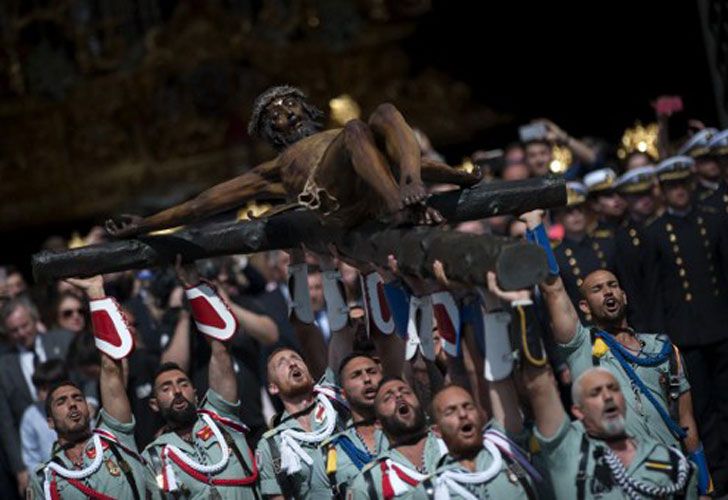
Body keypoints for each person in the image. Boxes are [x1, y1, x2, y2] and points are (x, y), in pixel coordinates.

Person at [105, 86, 480, 235]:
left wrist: (459, 177)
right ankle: (401, 204)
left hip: (381, 185)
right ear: (272, 131)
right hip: (336, 200)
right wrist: (145, 226)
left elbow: (392, 159)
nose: (286, 111)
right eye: (275, 114)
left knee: (382, 112)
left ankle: (406, 192)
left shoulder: (350, 135)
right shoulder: (274, 169)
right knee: (354, 129)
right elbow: (202, 204)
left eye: (290, 103)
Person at [521, 208, 712, 496]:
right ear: (584, 306)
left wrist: (704, 482)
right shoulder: (581, 346)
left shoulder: (661, 347)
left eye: (612, 286)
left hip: (670, 472)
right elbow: (553, 289)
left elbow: (687, 422)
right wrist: (535, 225)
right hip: (621, 476)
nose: (608, 292)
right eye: (597, 289)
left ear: (624, 295)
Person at [142, 261, 261, 499]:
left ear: (196, 394)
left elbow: (220, 350)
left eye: (183, 384)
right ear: (154, 404)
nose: (177, 390)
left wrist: (194, 289)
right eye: (166, 388)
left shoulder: (223, 421)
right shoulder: (154, 456)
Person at [645, 156, 728, 494]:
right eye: (671, 186)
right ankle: (718, 473)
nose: (678, 192)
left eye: (682, 184)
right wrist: (662, 340)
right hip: (686, 334)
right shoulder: (655, 232)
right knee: (702, 409)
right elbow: (654, 293)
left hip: (720, 325)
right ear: (663, 191)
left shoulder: (713, 219)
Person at [28, 275, 146, 499]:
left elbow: (111, 369)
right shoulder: (44, 478)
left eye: (78, 398)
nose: (72, 404)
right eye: (61, 402)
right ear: (50, 422)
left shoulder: (115, 438)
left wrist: (96, 294)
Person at [0, 297, 73, 495]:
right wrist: (19, 468)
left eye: (25, 325)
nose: (22, 333)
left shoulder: (64, 340)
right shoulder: (3, 367)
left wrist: (90, 402)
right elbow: (5, 422)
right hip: (36, 451)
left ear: (35, 319)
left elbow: (86, 376)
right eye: (14, 330)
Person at [255, 346, 348, 499]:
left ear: (311, 376)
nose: (292, 364)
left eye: (296, 358)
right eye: (281, 363)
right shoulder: (271, 445)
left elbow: (341, 345)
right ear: (273, 388)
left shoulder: (335, 401)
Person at [348, 377, 447, 499]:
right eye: (388, 397)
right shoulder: (369, 483)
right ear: (378, 424)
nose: (399, 395)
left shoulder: (454, 445)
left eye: (406, 392)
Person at [317, 353, 388, 498]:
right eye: (356, 375)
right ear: (342, 394)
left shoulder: (412, 431)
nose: (367, 379)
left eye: (372, 372)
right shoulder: (328, 453)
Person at [552, 182, 614, 310]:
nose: (576, 216)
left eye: (579, 209)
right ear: (559, 218)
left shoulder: (606, 243)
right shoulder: (557, 255)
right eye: (569, 212)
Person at [612, 166, 659, 330]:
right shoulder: (624, 238)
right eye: (637, 195)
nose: (645, 199)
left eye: (647, 193)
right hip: (650, 321)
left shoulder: (663, 226)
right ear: (625, 199)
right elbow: (632, 289)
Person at [20, 359, 66, 472]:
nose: (41, 394)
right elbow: (30, 456)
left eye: (46, 389)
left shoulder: (74, 406)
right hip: (49, 477)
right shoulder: (30, 417)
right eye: (39, 389)